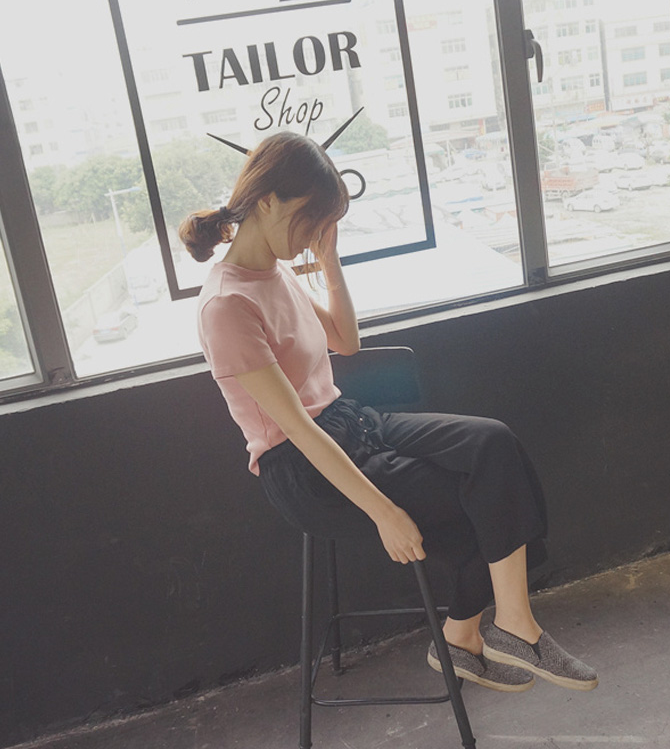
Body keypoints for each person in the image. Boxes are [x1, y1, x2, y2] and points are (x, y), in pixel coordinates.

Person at [179, 130, 598, 693]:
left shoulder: (273, 272)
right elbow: (297, 429)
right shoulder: (227, 305)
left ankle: (478, 634)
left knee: (493, 445)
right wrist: (383, 513)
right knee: (484, 496)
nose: (310, 236)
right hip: (304, 468)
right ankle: (504, 631)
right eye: (310, 219)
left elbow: (346, 341)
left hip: (348, 422)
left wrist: (329, 261)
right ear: (269, 200)